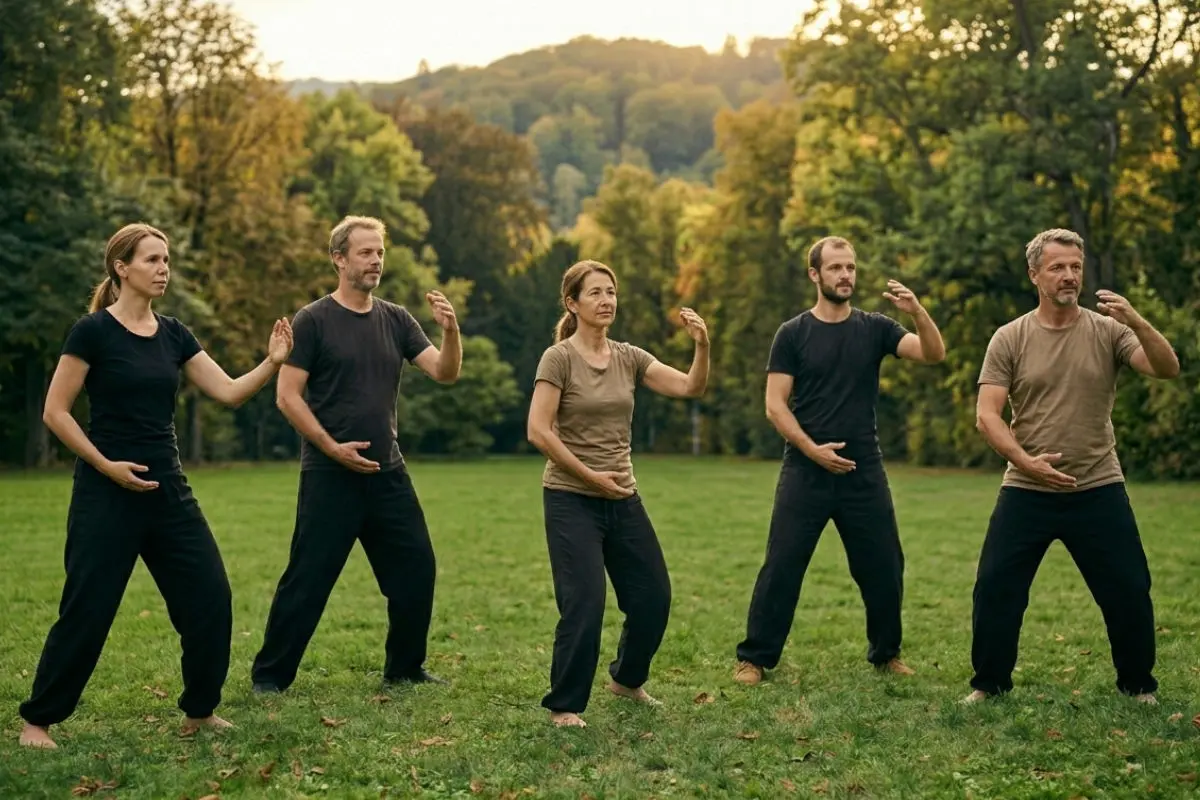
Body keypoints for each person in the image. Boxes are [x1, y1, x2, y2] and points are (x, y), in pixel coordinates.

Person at [18, 223, 293, 749]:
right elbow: (56, 412)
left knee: (209, 596)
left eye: (166, 260)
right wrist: (105, 465)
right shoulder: (91, 332)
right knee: (88, 607)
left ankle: (200, 710)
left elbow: (229, 393)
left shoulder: (175, 334)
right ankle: (38, 722)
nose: (163, 268)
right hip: (106, 492)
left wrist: (271, 363)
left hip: (167, 491)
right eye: (152, 260)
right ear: (122, 268)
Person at [964, 228, 1179, 705]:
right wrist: (1025, 461)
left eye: (1075, 267)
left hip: (1098, 484)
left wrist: (1138, 320)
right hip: (1026, 486)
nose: (1068, 276)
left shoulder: (1109, 330)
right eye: (1057, 267)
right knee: (996, 588)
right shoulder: (1010, 337)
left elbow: (1166, 368)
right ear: (1034, 274)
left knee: (1128, 589)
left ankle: (1138, 686)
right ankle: (989, 684)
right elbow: (987, 415)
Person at [250, 215, 461, 694]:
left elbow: (444, 373)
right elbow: (287, 396)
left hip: (387, 473)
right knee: (308, 578)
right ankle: (270, 677)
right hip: (330, 473)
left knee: (416, 569)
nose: (376, 261)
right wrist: (331, 447)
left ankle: (405, 668)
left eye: (380, 252)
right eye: (366, 252)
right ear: (339, 258)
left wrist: (450, 331)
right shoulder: (314, 320)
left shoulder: (396, 319)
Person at [733, 235, 946, 687]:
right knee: (783, 565)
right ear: (815, 275)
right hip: (805, 468)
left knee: (885, 564)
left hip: (862, 468)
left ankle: (886, 653)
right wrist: (812, 450)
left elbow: (933, 354)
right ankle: (754, 658)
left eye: (850, 267)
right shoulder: (792, 334)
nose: (845, 275)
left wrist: (917, 313)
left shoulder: (876, 328)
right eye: (835, 268)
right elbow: (775, 404)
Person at [526, 259, 709, 728]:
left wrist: (702, 346)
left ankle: (627, 680)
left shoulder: (629, 357)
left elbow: (690, 386)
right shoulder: (559, 358)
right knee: (584, 602)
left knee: (653, 597)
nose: (607, 300)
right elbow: (539, 431)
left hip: (622, 497)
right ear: (573, 303)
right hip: (570, 497)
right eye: (596, 293)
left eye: (612, 292)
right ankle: (564, 706)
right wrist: (591, 477)